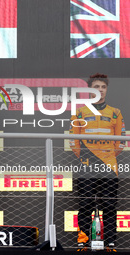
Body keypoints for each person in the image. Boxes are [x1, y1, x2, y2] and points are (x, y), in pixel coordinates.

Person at [69, 73, 125, 251]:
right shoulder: (80, 111)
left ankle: (110, 241)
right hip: (86, 164)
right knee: (85, 204)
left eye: (103, 87)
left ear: (106, 90)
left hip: (109, 164)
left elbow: (121, 141)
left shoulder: (115, 112)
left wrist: (107, 155)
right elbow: (73, 140)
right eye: (96, 87)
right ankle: (83, 240)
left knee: (109, 204)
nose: (100, 90)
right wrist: (87, 156)